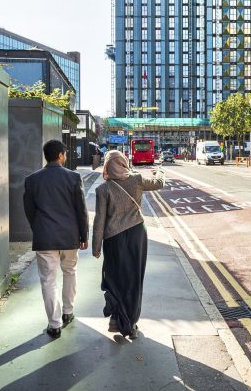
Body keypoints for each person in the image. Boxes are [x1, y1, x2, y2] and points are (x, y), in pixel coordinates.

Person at [92, 149, 165, 339]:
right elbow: (159, 183)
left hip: (113, 240)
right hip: (136, 236)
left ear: (107, 166)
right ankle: (129, 323)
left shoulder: (103, 189)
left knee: (114, 279)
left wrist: (96, 247)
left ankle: (116, 319)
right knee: (133, 279)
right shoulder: (136, 180)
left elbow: (99, 220)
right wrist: (160, 171)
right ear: (123, 163)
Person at [22, 139, 89, 340]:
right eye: (65, 154)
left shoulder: (32, 180)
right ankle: (68, 311)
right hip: (70, 236)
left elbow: (29, 211)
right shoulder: (73, 177)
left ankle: (54, 324)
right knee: (70, 272)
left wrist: (39, 229)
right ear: (60, 155)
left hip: (45, 237)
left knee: (48, 281)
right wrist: (84, 235)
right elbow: (81, 210)